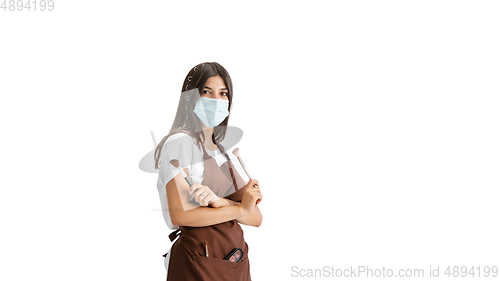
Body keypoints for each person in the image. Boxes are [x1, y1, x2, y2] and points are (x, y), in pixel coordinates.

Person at [154, 62, 263, 281]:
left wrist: (224, 203)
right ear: (190, 98)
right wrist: (240, 208)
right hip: (198, 263)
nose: (216, 100)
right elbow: (181, 214)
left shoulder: (221, 152)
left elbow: (256, 217)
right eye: (207, 92)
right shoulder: (181, 142)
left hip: (234, 263)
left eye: (223, 93)